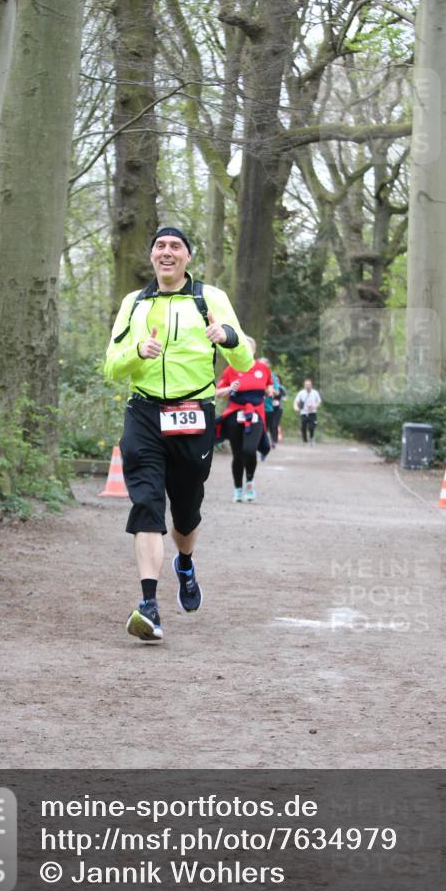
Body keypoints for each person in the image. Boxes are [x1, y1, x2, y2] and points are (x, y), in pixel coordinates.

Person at [105, 226, 252, 642]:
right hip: (145, 413)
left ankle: (185, 564)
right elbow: (110, 366)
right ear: (152, 256)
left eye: (175, 247)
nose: (166, 253)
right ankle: (149, 605)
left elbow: (243, 359)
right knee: (147, 503)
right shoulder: (134, 303)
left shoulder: (210, 298)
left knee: (185, 514)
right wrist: (137, 353)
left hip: (193, 413)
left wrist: (227, 337)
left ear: (188, 257)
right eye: (160, 246)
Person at [216, 340, 273, 502]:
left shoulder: (263, 369)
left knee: (249, 450)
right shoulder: (230, 369)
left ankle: (249, 482)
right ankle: (238, 489)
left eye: (248, 349)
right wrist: (229, 389)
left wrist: (270, 391)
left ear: (254, 350)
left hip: (255, 413)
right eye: (242, 349)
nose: (245, 352)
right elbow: (218, 392)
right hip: (235, 414)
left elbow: (269, 387)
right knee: (238, 454)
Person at [294, 377, 322, 444]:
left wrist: (315, 405)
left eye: (309, 385)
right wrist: (296, 408)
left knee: (311, 426)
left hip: (312, 413)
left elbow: (319, 401)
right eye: (306, 385)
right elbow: (296, 401)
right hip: (303, 412)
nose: (307, 386)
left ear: (311, 385)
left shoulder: (315, 392)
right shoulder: (301, 393)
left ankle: (312, 438)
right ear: (304, 385)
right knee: (303, 426)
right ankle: (305, 440)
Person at [264, 366, 286, 448]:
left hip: (278, 408)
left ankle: (274, 441)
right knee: (268, 425)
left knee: (274, 424)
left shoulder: (281, 388)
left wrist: (281, 398)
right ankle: (267, 440)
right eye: (274, 379)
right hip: (269, 408)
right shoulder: (266, 385)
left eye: (277, 380)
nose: (275, 381)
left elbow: (284, 396)